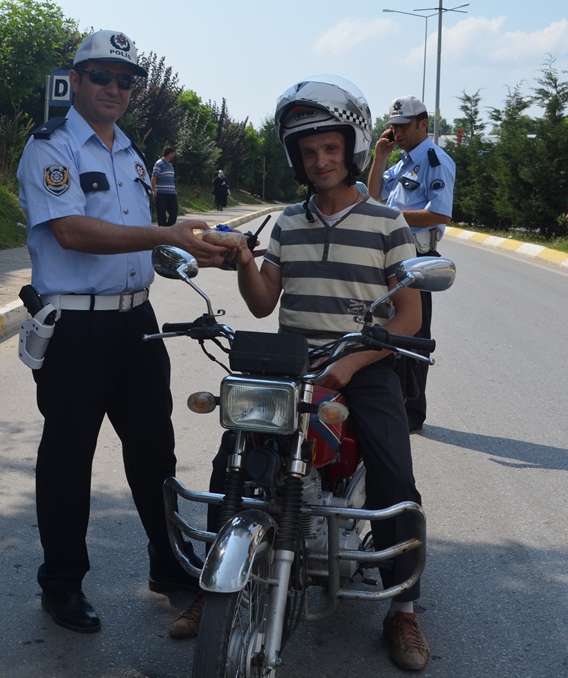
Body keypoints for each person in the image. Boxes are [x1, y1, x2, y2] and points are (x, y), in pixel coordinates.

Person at [170, 76, 432, 672]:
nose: (320, 161)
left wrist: (350, 364)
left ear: (353, 148)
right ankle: (211, 591)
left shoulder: (388, 223)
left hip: (363, 364)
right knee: (232, 459)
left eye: (330, 149)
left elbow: (410, 316)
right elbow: (263, 302)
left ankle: (403, 609)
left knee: (394, 472)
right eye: (309, 152)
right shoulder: (287, 223)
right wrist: (242, 260)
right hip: (293, 365)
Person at [15, 29, 228, 636]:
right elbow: (72, 233)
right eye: (102, 76)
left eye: (126, 79)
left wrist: (192, 254)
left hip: (137, 323)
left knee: (154, 454)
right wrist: (165, 234)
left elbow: (139, 250)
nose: (114, 88)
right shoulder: (51, 147)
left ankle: (169, 567)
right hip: (76, 327)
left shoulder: (132, 153)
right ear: (76, 81)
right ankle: (61, 585)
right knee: (68, 459)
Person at [366, 95, 456, 434]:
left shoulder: (435, 160)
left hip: (417, 259)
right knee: (390, 329)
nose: (398, 132)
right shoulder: (403, 162)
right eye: (394, 126)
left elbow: (440, 212)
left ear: (423, 125)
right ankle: (394, 403)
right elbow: (374, 198)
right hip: (393, 257)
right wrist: (379, 157)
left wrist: (391, 216)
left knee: (415, 334)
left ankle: (412, 412)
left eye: (404, 126)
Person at [152, 146, 178, 225]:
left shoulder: (170, 166)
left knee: (174, 212)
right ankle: (162, 231)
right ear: (170, 153)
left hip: (171, 193)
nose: (173, 155)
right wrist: (153, 190)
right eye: (173, 153)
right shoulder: (159, 163)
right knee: (161, 213)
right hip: (161, 193)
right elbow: (154, 177)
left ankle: (169, 228)